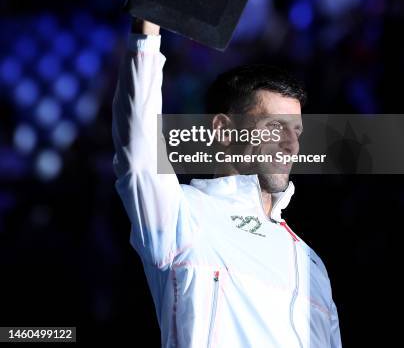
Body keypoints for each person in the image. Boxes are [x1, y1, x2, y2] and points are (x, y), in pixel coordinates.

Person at [112, 18, 342, 347]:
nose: (291, 144)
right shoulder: (186, 215)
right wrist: (148, 26)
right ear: (222, 130)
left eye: (297, 131)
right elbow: (139, 157)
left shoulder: (312, 266)